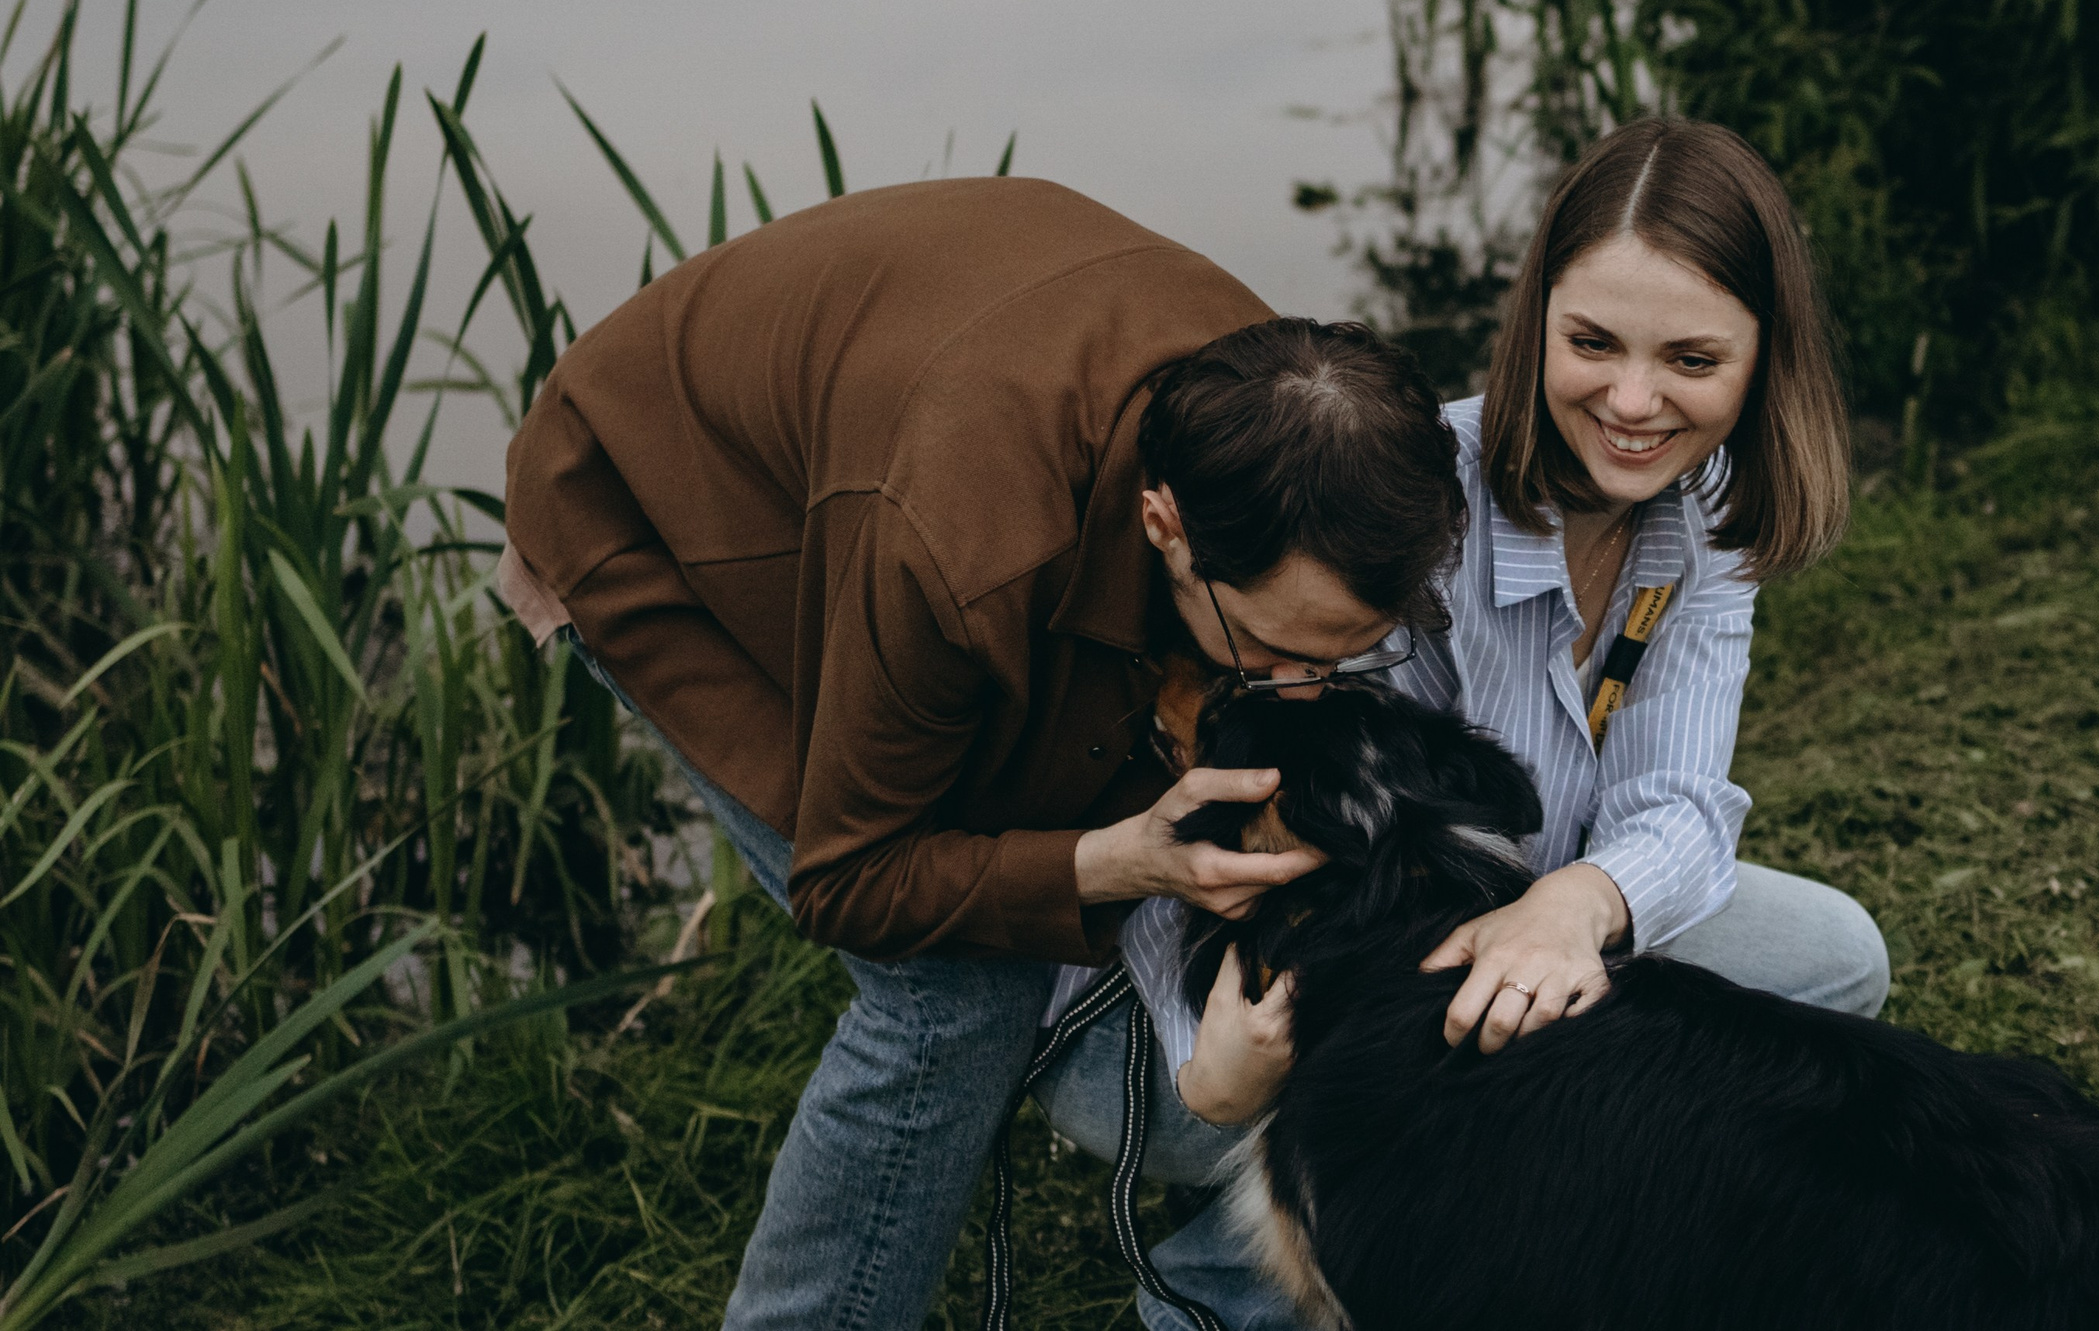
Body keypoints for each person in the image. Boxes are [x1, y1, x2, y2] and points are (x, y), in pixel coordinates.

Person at [496, 174, 1468, 1330]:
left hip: (896, 413)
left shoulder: (1292, 425)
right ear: (1166, 524)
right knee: (947, 992)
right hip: (657, 507)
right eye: (1269, 648)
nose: (1298, 692)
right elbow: (851, 878)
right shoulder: (958, 553)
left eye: (1339, 658)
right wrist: (1113, 863)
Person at [1057, 117, 1891, 1331]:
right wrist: (1215, 1060)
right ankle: (1230, 1288)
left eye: (1693, 359)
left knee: (1830, 959)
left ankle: (1555, 1199)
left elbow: (1677, 802)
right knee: (1360, 1064)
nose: (1634, 401)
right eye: (1590, 342)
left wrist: (1576, 906)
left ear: (1766, 359)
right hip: (1253, 988)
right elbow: (1222, 825)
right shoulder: (1392, 500)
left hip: (1482, 923)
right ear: (1532, 319)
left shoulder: (1703, 512)